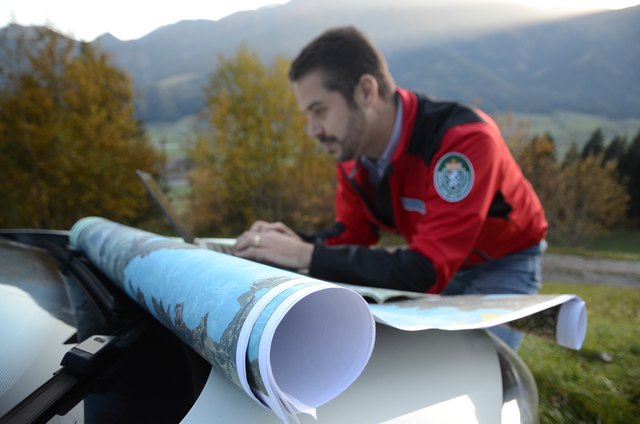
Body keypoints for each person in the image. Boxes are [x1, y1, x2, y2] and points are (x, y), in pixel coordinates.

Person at [233, 26, 548, 350]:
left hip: (501, 261)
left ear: (366, 92)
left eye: (320, 111)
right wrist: (291, 242)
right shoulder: (351, 152)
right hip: (437, 260)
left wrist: (305, 254)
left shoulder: (461, 143)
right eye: (307, 116)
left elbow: (426, 271)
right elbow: (352, 233)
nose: (313, 130)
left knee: (483, 369)